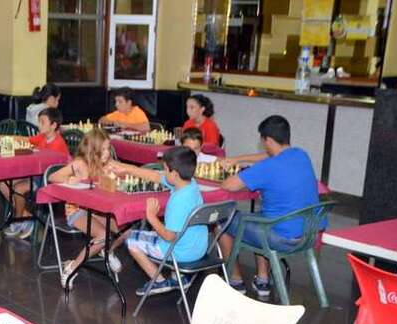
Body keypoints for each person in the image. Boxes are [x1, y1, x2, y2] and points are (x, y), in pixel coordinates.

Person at [218, 115, 320, 298]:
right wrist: (238, 159)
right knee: (261, 217)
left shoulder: (268, 167)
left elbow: (228, 185)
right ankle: (262, 280)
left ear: (269, 141)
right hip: (309, 232)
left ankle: (235, 280)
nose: (264, 146)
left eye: (263, 141)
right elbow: (270, 156)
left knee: (223, 221)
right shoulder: (301, 155)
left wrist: (238, 168)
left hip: (282, 237)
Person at [117, 147, 205, 295]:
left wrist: (151, 217)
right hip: (198, 248)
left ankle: (159, 281)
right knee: (155, 231)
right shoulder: (190, 185)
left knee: (131, 239)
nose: (163, 172)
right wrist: (129, 169)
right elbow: (155, 176)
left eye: (165, 169)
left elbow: (170, 237)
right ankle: (180, 278)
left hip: (180, 251)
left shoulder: (179, 201)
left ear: (174, 174)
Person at [48, 128, 128, 288]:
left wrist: (118, 175)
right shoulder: (79, 164)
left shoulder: (107, 164)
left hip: (99, 210)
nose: (107, 152)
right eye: (103, 149)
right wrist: (69, 179)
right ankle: (72, 267)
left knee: (128, 230)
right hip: (77, 210)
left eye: (108, 148)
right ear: (93, 149)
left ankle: (108, 250)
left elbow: (123, 174)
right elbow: (52, 176)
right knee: (103, 236)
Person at [2, 107, 69, 240]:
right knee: (2, 183)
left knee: (18, 188)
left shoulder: (58, 144)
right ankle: (26, 216)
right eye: (39, 122)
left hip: (48, 180)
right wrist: (3, 138)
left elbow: (51, 169)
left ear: (53, 125)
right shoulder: (43, 137)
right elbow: (26, 140)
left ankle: (19, 220)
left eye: (42, 122)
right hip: (36, 174)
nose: (39, 125)